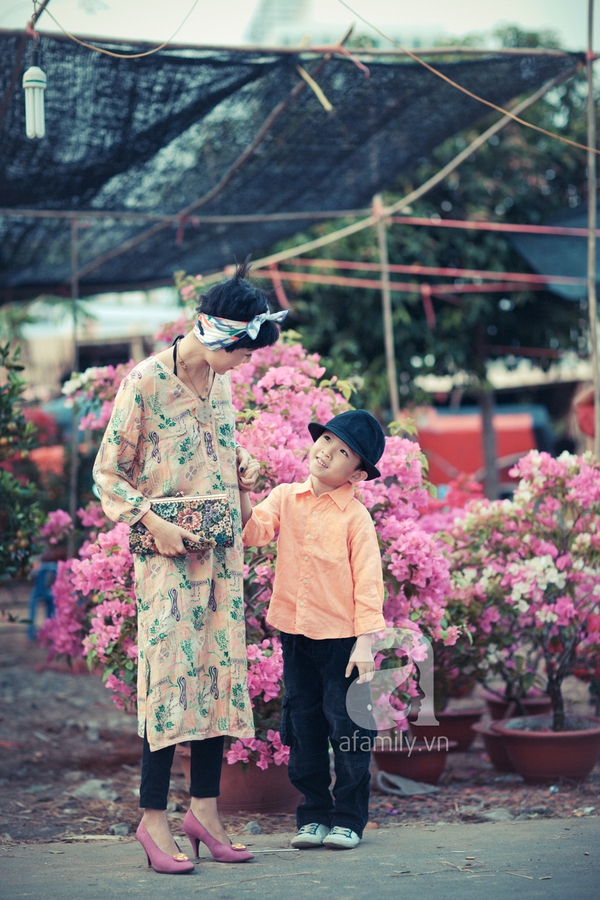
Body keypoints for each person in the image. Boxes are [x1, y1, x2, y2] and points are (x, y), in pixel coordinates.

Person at [93, 261, 286, 875]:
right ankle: (153, 820)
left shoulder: (222, 386)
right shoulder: (144, 383)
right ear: (219, 336)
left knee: (218, 680)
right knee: (170, 682)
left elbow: (215, 456)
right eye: (244, 351)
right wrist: (152, 522)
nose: (245, 364)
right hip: (168, 559)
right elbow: (107, 473)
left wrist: (247, 480)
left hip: (221, 557)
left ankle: (205, 813)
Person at [239, 409, 386, 850]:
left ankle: (348, 819)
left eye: (342, 452)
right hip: (297, 635)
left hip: (343, 642)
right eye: (326, 441)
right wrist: (245, 492)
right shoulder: (286, 497)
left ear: (357, 473)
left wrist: (365, 643)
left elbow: (369, 582)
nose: (327, 453)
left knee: (348, 729)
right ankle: (314, 815)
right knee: (303, 725)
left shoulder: (355, 518)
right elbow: (252, 532)